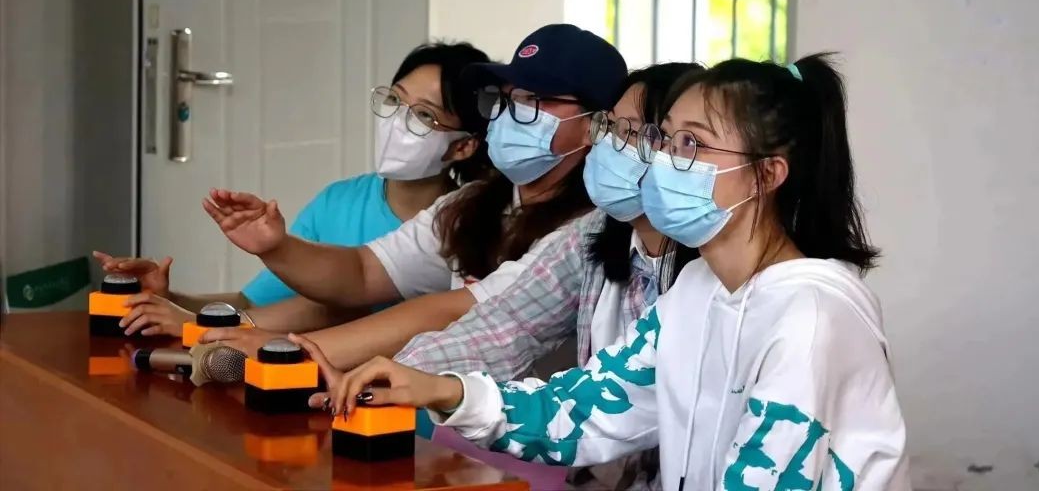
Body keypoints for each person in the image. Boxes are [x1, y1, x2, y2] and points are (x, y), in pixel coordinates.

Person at [301, 54, 911, 490]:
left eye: (692, 145)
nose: (661, 160)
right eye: (664, 140)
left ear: (767, 175)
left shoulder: (810, 317)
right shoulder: (699, 289)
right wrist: (440, 390)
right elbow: (582, 410)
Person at [295, 62, 699, 490]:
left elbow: (589, 405)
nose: (611, 145)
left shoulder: (707, 280)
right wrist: (396, 377)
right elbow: (502, 325)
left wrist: (436, 388)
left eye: (632, 134)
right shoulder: (593, 233)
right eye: (610, 127)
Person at [196, 24, 629, 361]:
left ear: (597, 124)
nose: (514, 112)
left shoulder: (590, 227)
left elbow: (456, 311)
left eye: (538, 99)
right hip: (458, 427)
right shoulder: (473, 203)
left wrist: (297, 353)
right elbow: (364, 272)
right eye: (510, 96)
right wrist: (276, 247)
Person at [93, 41, 493, 337]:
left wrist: (197, 326)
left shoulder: (467, 227)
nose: (397, 122)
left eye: (423, 115)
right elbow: (254, 304)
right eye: (394, 100)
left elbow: (339, 309)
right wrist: (171, 300)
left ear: (463, 146)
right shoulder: (339, 202)